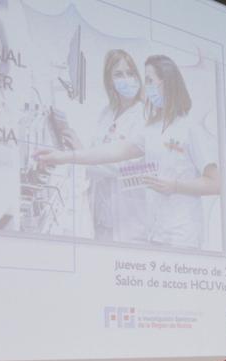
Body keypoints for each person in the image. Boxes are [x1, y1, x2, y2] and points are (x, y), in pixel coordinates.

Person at [34, 54, 220, 249]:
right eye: (145, 80)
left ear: (166, 83)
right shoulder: (151, 131)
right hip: (155, 233)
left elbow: (215, 183)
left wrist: (175, 186)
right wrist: (63, 157)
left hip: (182, 233)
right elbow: (110, 152)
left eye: (149, 80)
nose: (145, 87)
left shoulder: (190, 128)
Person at [54, 49, 150, 243]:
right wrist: (77, 150)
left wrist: (81, 154)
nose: (126, 79)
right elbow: (95, 155)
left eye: (130, 73)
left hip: (129, 221)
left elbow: (122, 166)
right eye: (118, 74)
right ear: (109, 81)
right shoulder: (106, 113)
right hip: (101, 216)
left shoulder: (145, 116)